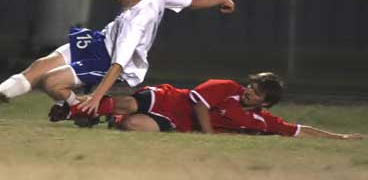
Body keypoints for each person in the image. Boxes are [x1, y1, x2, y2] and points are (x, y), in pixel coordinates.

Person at [0, 0, 235, 121]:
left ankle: (80, 108)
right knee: (40, 64)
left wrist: (95, 97)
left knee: (51, 82)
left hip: (110, 61)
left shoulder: (134, 23)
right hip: (101, 41)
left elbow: (118, 65)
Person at [70, 72, 363, 140]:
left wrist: (340, 138)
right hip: (170, 99)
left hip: (177, 124)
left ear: (265, 102)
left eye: (257, 92)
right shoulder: (226, 87)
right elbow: (197, 103)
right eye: (252, 86)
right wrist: (209, 135)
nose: (249, 92)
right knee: (127, 104)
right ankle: (73, 108)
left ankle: (108, 120)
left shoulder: (259, 121)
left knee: (133, 125)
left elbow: (296, 130)